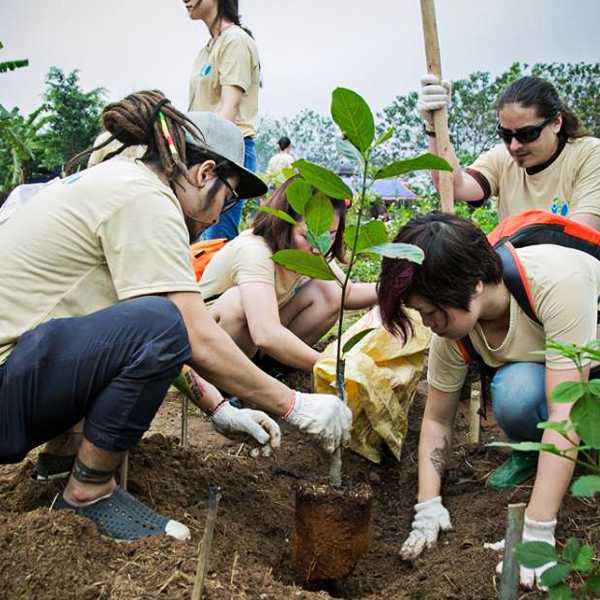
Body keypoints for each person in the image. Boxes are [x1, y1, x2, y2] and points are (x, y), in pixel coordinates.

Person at [0, 90, 352, 542]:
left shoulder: (120, 183)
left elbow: (132, 338)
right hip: (9, 389)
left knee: (144, 321)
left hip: (16, 378)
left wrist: (219, 407)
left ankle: (60, 465)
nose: (221, 214)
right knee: (163, 321)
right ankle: (89, 492)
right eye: (227, 199)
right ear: (205, 172)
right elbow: (183, 331)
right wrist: (293, 404)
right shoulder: (145, 198)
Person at [376, 211, 600, 588]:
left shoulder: (555, 283)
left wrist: (537, 534)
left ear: (474, 285)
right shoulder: (453, 330)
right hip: (560, 376)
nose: (428, 322)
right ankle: (540, 457)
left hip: (588, 376)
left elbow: (566, 413)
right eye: (420, 312)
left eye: (431, 311)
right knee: (515, 392)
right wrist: (427, 506)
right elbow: (436, 420)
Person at [198, 176, 378, 373]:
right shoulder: (254, 250)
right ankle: (232, 386)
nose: (319, 247)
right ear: (285, 224)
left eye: (330, 235)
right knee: (238, 302)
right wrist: (335, 368)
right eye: (308, 235)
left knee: (329, 289)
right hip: (209, 347)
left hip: (257, 341)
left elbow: (347, 294)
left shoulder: (312, 248)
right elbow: (266, 333)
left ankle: (274, 370)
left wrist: (397, 287)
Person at [418, 75, 600, 228]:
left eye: (527, 134)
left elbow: (580, 235)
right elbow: (454, 185)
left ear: (556, 122)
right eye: (505, 134)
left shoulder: (589, 155)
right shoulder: (502, 159)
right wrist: (435, 127)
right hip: (514, 268)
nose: (514, 146)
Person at [185, 0, 260, 240]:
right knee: (200, 244)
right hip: (203, 155)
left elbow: (230, 105)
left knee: (218, 241)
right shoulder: (208, 48)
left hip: (226, 155)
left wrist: (210, 159)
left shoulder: (235, 41)